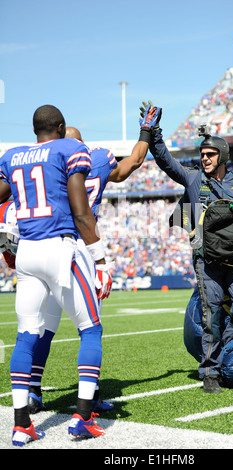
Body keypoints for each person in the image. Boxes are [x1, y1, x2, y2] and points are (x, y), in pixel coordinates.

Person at [0, 103, 161, 446]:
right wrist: (101, 261)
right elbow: (83, 208)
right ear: (63, 131)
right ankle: (84, 414)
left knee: (31, 332)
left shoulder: (17, 156)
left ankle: (22, 418)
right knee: (90, 328)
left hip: (28, 250)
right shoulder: (84, 155)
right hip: (67, 248)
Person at [143, 102, 233, 394]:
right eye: (202, 154)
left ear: (223, 157)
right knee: (212, 317)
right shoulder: (195, 180)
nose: (204, 158)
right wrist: (153, 133)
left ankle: (222, 355)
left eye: (210, 154)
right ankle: (210, 373)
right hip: (206, 262)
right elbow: (166, 161)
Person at [27, 124, 150, 415]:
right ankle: (90, 397)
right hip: (82, 248)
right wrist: (146, 132)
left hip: (47, 245)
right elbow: (133, 162)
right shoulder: (97, 158)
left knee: (44, 327)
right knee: (89, 327)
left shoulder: (48, 161)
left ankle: (32, 391)